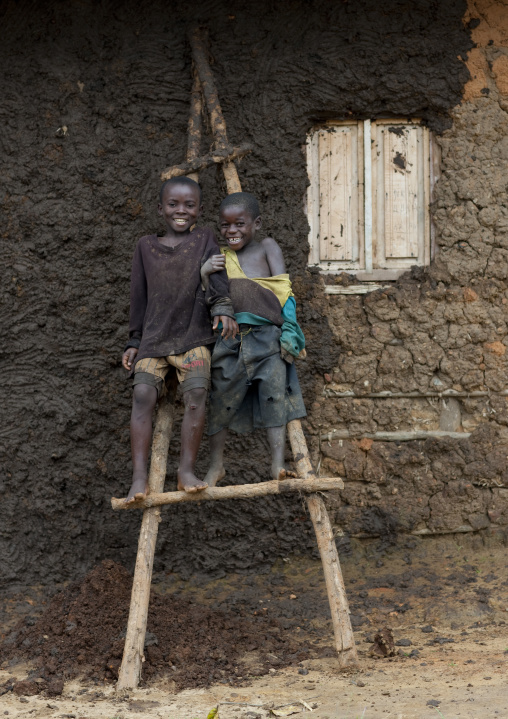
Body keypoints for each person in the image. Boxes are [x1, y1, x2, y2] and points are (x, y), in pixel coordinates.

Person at [121, 177, 239, 503]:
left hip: (193, 334)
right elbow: (138, 297)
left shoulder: (204, 239)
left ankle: (186, 470)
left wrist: (224, 308)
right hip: (154, 338)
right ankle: (139, 478)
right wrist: (134, 341)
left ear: (199, 210)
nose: (181, 211)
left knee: (198, 391)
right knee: (143, 393)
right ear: (161, 208)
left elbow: (218, 277)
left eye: (189, 205)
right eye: (173, 204)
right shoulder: (145, 246)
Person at [201, 191, 306, 486]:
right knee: (221, 398)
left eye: (240, 224)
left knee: (274, 395)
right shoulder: (221, 257)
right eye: (225, 225)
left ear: (256, 224)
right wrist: (204, 272)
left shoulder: (267, 247)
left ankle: (276, 465)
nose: (231, 231)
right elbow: (210, 296)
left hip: (268, 338)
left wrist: (290, 328)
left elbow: (284, 290)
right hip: (229, 339)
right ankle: (216, 466)